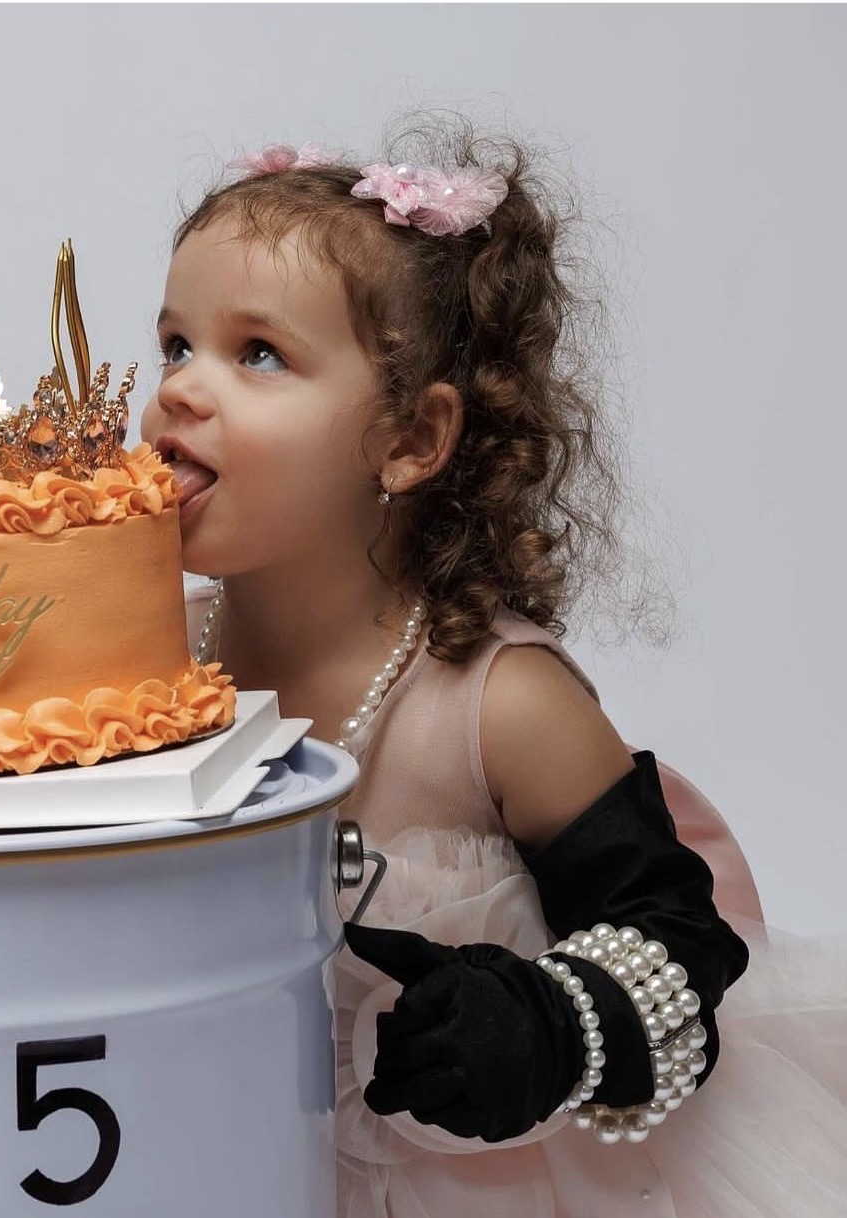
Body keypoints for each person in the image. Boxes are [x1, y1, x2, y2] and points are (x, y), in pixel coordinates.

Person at [141, 123, 847, 1216]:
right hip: (218, 1160)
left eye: (259, 354)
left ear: (410, 441)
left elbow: (677, 935)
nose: (180, 391)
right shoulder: (140, 667)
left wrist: (546, 1027)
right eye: (176, 345)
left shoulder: (499, 703)